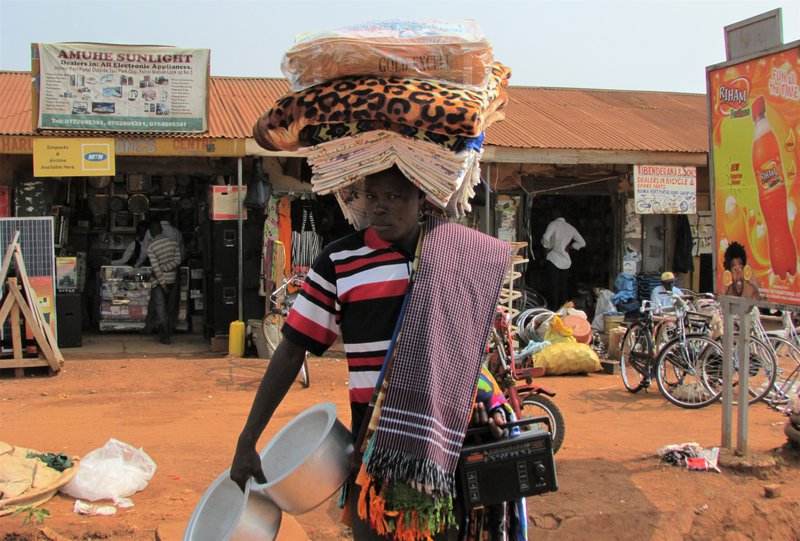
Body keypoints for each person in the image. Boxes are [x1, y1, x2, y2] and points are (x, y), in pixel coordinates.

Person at [230, 167, 513, 540]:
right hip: (375, 444)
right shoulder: (339, 261)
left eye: (395, 197)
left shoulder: (458, 256)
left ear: (422, 199)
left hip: (450, 443)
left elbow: (475, 348)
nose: (380, 207)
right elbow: (291, 351)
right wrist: (247, 439)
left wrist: (489, 400)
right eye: (374, 197)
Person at [142, 221, 181, 344]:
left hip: (159, 282)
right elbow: (178, 260)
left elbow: (156, 269)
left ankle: (164, 335)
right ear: (161, 230)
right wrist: (167, 268)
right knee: (169, 306)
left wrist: (163, 284)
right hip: (173, 279)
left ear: (152, 233)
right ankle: (155, 328)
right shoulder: (173, 243)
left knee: (160, 307)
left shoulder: (151, 247)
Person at [541, 211, 585, 309]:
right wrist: (570, 247)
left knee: (553, 286)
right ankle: (563, 310)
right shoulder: (570, 227)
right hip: (566, 261)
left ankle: (553, 309)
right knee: (563, 287)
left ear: (555, 215)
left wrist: (547, 247)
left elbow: (545, 237)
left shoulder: (553, 224)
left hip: (553, 258)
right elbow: (582, 242)